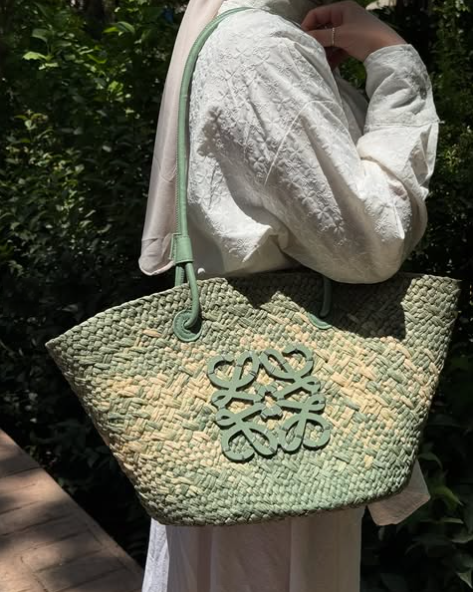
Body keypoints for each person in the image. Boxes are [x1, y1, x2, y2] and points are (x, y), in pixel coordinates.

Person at [139, 0, 439, 590]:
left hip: (247, 404)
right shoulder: (259, 48)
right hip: (283, 418)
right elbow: (370, 242)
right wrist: (394, 62)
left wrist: (331, 84)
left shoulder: (241, 39)